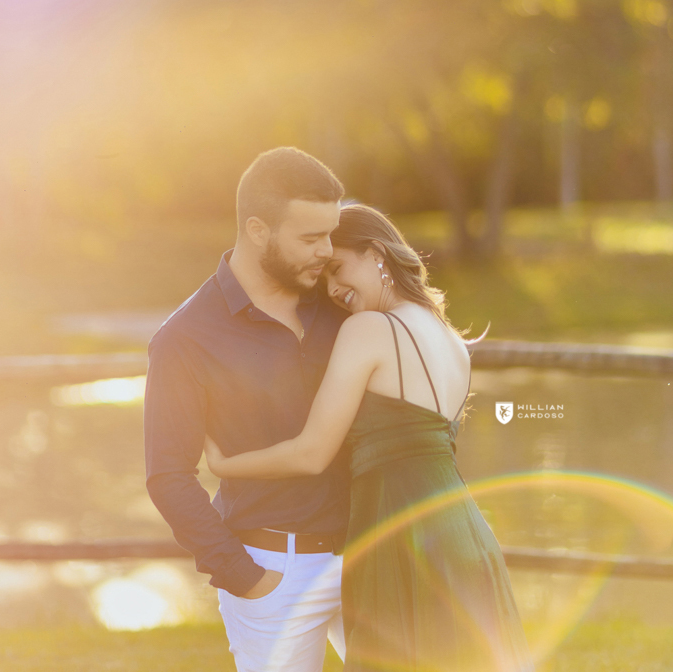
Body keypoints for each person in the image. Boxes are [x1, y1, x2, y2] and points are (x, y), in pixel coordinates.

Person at [206, 203, 535, 672]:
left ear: (377, 253)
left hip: (402, 539)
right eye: (325, 281)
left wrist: (225, 464)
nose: (335, 290)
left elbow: (312, 452)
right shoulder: (453, 341)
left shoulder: (369, 330)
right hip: (464, 536)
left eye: (338, 269)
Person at [144, 146, 351, 672]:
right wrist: (245, 577)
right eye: (310, 238)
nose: (327, 250)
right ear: (258, 230)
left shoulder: (342, 304)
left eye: (330, 233)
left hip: (367, 556)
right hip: (272, 575)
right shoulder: (186, 338)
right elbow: (169, 476)